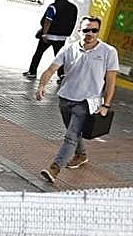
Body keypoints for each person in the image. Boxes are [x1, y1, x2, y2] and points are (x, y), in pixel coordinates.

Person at [35, 16, 118, 183]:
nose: (90, 33)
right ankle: (81, 155)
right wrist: (41, 85)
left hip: (87, 102)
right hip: (65, 98)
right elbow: (51, 69)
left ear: (98, 32)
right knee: (73, 131)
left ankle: (54, 169)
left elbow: (111, 80)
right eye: (86, 30)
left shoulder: (108, 52)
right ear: (79, 31)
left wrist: (106, 104)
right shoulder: (69, 49)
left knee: (71, 135)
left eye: (94, 30)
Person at [25, 0, 78, 79]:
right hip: (61, 37)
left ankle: (32, 72)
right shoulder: (73, 8)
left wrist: (44, 34)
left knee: (38, 53)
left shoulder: (54, 6)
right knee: (59, 57)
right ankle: (61, 75)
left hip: (49, 35)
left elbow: (48, 20)